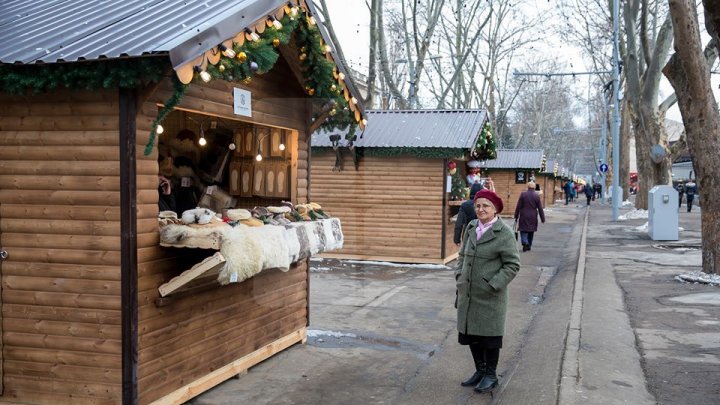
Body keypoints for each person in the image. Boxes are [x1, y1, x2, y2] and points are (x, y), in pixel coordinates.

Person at [455, 189, 520, 393]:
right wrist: (459, 275)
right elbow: (462, 255)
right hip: (468, 293)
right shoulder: (472, 226)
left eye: (485, 206)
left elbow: (513, 264)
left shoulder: (504, 232)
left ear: (495, 209)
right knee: (471, 334)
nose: (480, 209)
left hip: (490, 296)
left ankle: (491, 375)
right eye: (478, 205)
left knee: (489, 338)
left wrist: (493, 284)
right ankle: (480, 370)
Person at [514, 182, 546, 252]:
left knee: (523, 230)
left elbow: (518, 206)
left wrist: (516, 216)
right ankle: (529, 245)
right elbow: (540, 208)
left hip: (524, 215)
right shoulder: (536, 196)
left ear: (528, 187)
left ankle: (525, 242)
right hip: (533, 216)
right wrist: (542, 219)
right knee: (531, 231)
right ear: (534, 187)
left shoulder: (523, 194)